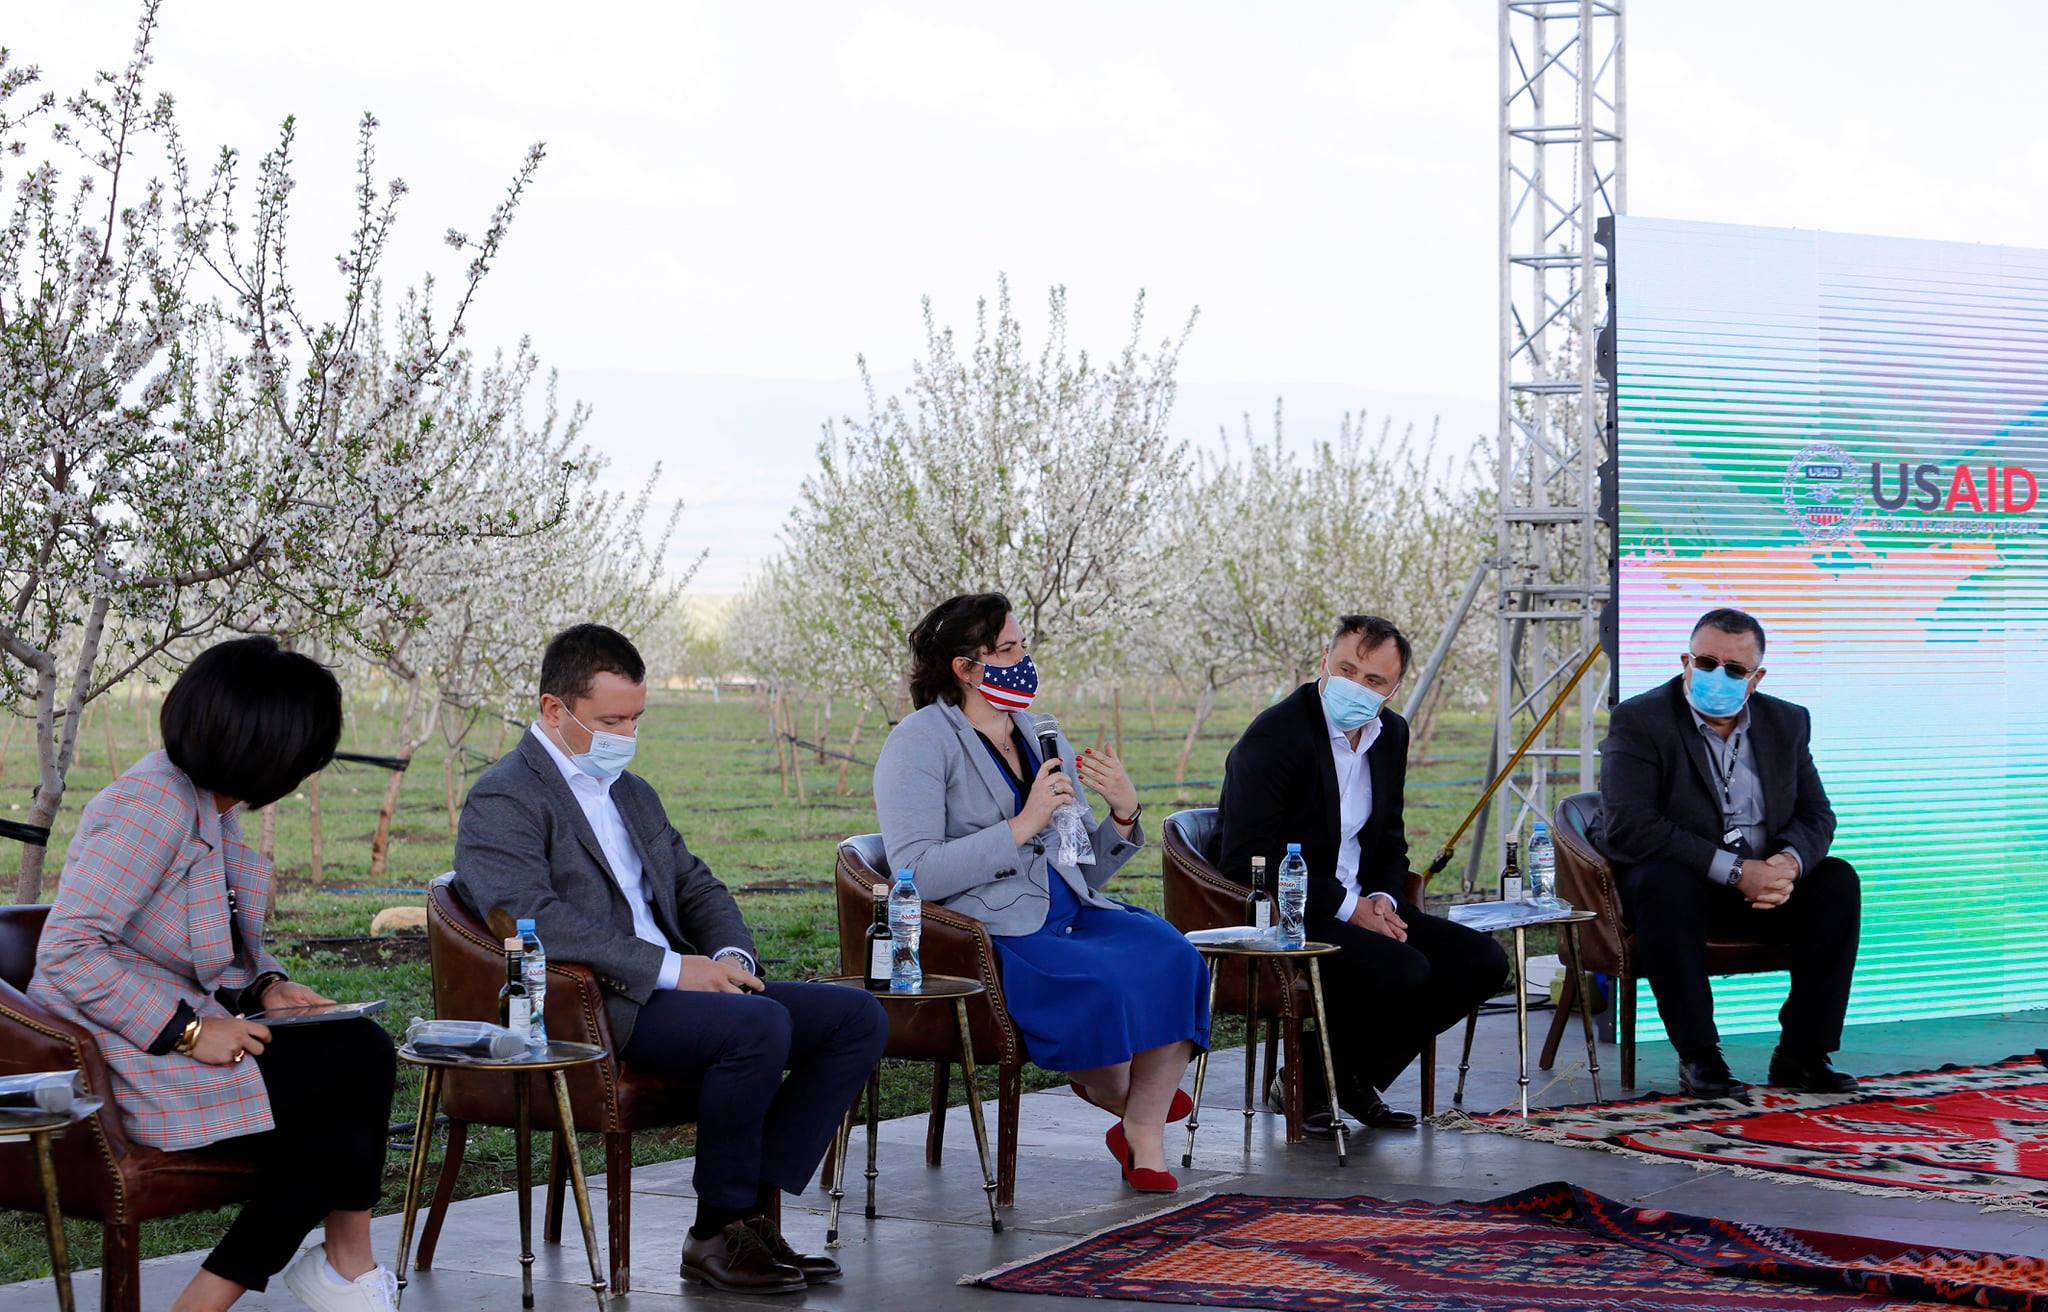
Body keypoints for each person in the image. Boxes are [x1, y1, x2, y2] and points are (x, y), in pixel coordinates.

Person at [454, 624, 886, 1296]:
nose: (627, 735)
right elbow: (531, 914)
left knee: (855, 1018)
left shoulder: (631, 791)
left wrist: (729, 956)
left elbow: (696, 886)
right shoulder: (505, 795)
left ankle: (750, 1217)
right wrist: (676, 970)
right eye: (611, 721)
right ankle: (714, 1233)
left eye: (636, 719)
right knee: (758, 1026)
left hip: (679, 986)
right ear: (553, 710)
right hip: (598, 1004)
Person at [29, 637, 398, 1312]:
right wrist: (191, 1031)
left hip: (163, 1031)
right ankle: (343, 1268)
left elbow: (203, 936)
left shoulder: (205, 802)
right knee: (358, 1059)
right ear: (270, 751)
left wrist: (266, 988)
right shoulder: (152, 806)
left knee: (343, 1103)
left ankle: (334, 1272)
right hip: (114, 1054)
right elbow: (69, 950)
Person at [872, 593, 1209, 1194]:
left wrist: (1124, 815)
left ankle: (1141, 1128)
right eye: (1007, 650)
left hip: (1076, 908)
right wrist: (1022, 825)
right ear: (964, 667)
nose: (1023, 661)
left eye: (1023, 646)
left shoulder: (1039, 731)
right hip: (991, 930)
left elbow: (1080, 864)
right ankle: (1133, 1105)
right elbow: (914, 872)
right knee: (1101, 984)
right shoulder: (919, 742)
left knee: (1175, 956)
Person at [1219, 615, 1508, 1135]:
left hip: (1363, 904)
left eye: (1373, 680)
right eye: (1346, 669)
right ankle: (1314, 1083)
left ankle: (1342, 1076)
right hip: (1291, 911)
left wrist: (1383, 900)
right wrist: (1351, 909)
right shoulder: (1276, 736)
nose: (1355, 686)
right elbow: (1245, 859)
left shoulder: (1390, 734)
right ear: (1324, 662)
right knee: (1402, 969)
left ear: (1393, 690)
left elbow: (1388, 840)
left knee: (1481, 962)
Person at [1596, 607, 1860, 1098]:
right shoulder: (1640, 719)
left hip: (1764, 888)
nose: (1718, 676)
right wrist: (1738, 872)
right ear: (1686, 662)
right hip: (1685, 885)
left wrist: (1785, 865)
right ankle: (1700, 1057)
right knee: (1662, 883)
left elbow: (1817, 815)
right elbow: (1630, 825)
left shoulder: (1787, 722)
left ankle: (1803, 1056)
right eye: (1706, 663)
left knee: (1836, 881)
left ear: (1756, 678)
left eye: (1735, 669)